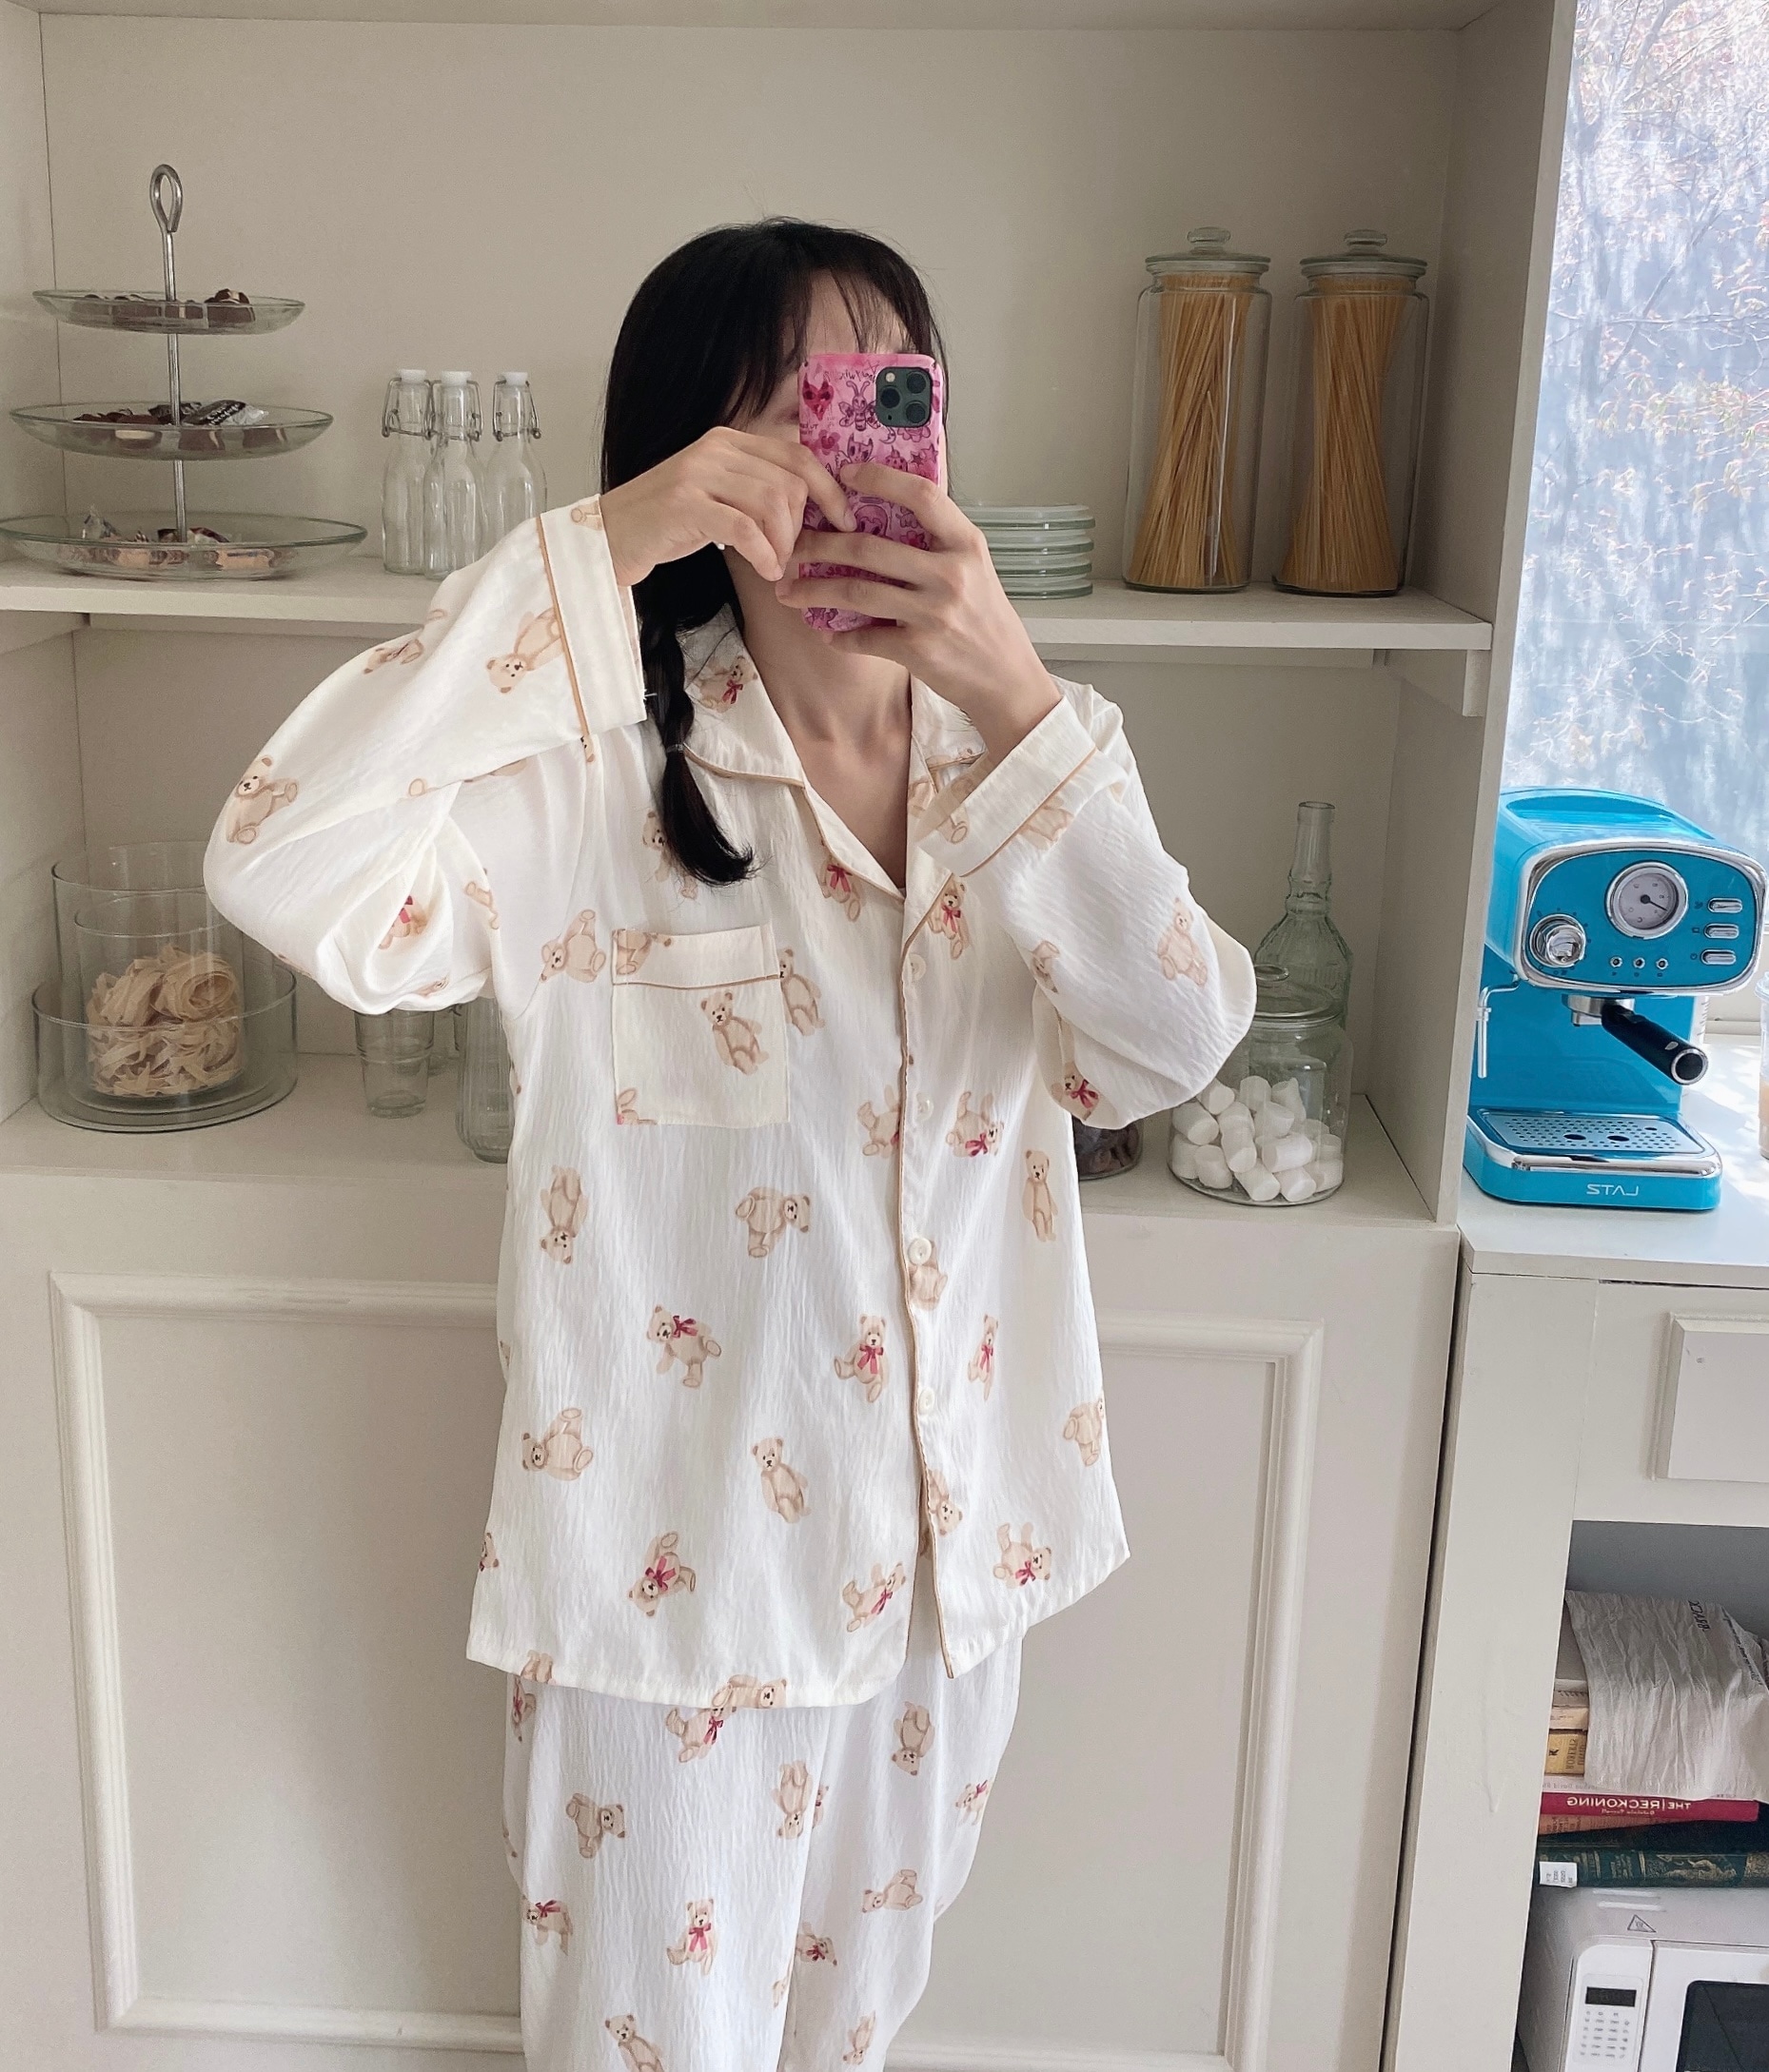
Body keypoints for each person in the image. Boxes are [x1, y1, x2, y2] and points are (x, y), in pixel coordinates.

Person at [204, 219, 1254, 2072]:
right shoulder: (589, 772)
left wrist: (1013, 690)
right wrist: (596, 550)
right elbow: (279, 856)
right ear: (695, 459)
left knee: (854, 2039)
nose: (846, 466)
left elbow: (1171, 1045)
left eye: (887, 399)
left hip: (947, 1583)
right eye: (786, 418)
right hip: (670, 1591)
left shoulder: (1035, 759)